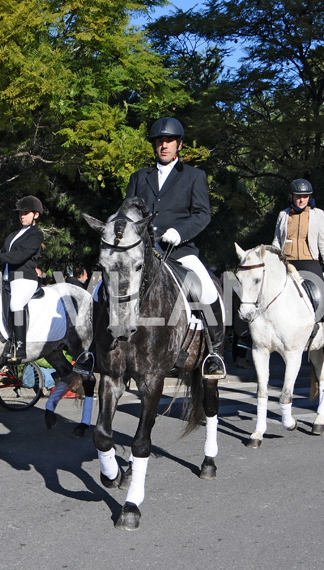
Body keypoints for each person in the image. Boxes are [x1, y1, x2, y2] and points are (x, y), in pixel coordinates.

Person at [124, 117, 226, 378]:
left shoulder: (194, 176)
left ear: (179, 144)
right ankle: (92, 352)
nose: (164, 145)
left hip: (180, 252)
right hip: (144, 252)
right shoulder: (139, 177)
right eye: (159, 141)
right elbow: (127, 213)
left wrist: (179, 233)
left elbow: (203, 214)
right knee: (103, 287)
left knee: (206, 292)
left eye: (169, 141)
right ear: (154, 146)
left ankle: (215, 354)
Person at [272, 179, 324, 352]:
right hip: (287, 262)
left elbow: (323, 241)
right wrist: (273, 259)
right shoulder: (283, 215)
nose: (301, 199)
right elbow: (276, 239)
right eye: (298, 196)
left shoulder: (318, 214)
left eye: (305, 196)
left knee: (323, 295)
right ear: (292, 196)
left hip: (309, 260)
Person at [0, 195, 45, 363]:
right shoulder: (13, 235)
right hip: (6, 279)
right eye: (20, 213)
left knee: (16, 303)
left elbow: (20, 256)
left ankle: (20, 347)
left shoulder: (36, 235)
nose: (22, 216)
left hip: (24, 277)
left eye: (26, 213)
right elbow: (3, 252)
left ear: (36, 215)